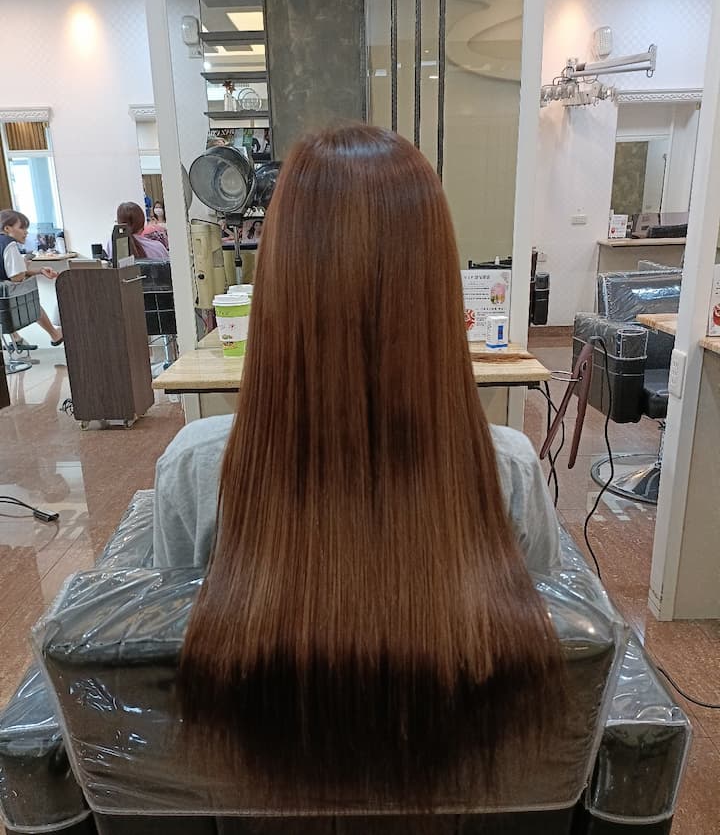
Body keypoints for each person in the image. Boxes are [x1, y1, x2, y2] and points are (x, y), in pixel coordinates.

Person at [164, 125, 564, 802]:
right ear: (437, 288)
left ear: (277, 283)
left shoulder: (196, 469)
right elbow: (558, 640)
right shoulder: (510, 472)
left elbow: (158, 648)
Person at [0, 209, 63, 347]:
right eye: (22, 228)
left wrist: (39, 271)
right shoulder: (10, 244)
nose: (26, 232)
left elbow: (9, 272)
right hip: (6, 297)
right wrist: (25, 264)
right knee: (30, 297)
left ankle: (16, 338)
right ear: (7, 228)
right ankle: (54, 334)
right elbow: (17, 277)